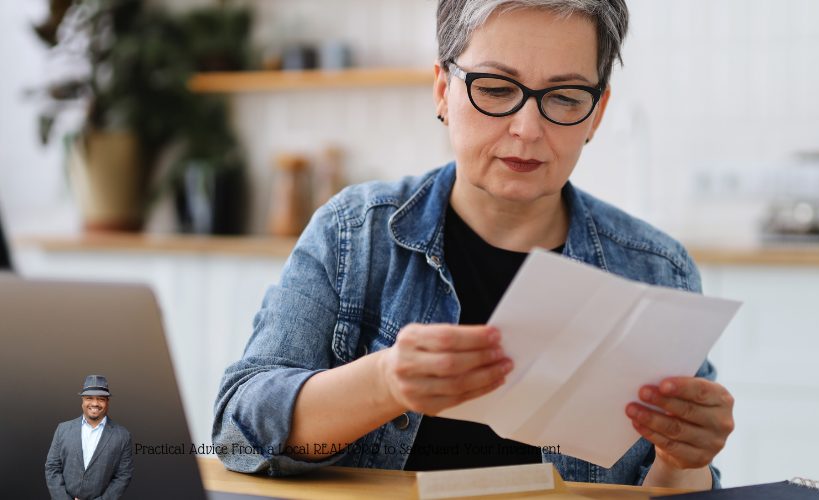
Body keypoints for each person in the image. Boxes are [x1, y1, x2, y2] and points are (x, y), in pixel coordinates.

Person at [213, 0, 734, 489]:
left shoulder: (656, 270)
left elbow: (673, 485)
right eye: (495, 88)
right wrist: (385, 383)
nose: (528, 128)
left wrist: (684, 461)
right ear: (443, 90)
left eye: (566, 97)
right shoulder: (355, 234)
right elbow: (238, 432)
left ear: (596, 113)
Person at [46, 375, 134, 500]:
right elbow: (52, 467)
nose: (95, 403)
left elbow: (123, 475)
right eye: (89, 398)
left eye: (101, 399)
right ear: (82, 400)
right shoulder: (63, 429)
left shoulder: (122, 436)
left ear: (107, 401)